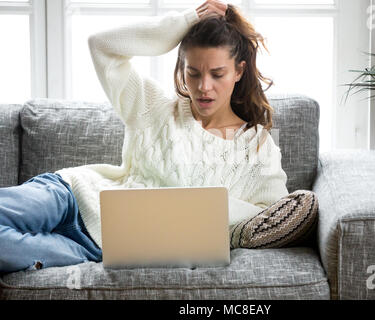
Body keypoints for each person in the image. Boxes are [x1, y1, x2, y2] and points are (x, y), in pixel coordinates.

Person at [0, 0, 317, 274]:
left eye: (217, 74)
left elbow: (272, 216)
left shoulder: (258, 146)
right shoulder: (152, 107)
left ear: (239, 71)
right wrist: (186, 20)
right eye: (193, 72)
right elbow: (101, 45)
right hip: (70, 197)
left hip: (100, 249)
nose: (203, 86)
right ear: (182, 70)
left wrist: (221, 218)